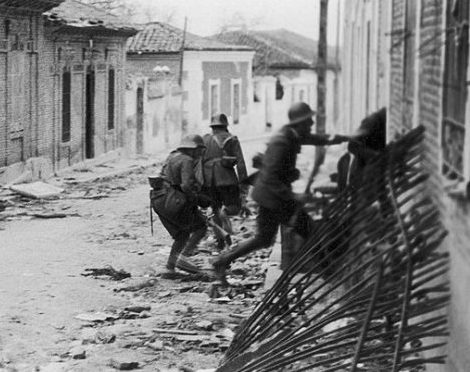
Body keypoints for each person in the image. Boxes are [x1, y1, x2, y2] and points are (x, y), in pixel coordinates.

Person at [211, 101, 350, 284]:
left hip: (274, 196)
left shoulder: (292, 134)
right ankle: (329, 272)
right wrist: (295, 196)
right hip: (273, 197)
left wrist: (342, 138)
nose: (311, 125)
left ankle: (222, 261)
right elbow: (271, 177)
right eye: (308, 121)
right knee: (307, 230)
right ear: (299, 123)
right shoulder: (282, 141)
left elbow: (315, 138)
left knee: (265, 239)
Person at [150, 134, 210, 276]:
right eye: (200, 150)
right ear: (193, 149)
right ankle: (183, 256)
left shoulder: (172, 156)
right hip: (171, 200)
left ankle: (170, 267)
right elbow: (186, 185)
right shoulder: (187, 160)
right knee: (201, 226)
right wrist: (198, 200)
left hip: (158, 199)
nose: (201, 154)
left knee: (182, 233)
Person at [201, 113, 249, 248]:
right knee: (233, 206)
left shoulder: (205, 139)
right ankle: (225, 214)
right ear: (225, 126)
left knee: (215, 209)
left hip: (209, 180)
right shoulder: (232, 139)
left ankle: (221, 241)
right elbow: (240, 163)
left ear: (212, 126)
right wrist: (244, 186)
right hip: (226, 179)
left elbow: (199, 161)